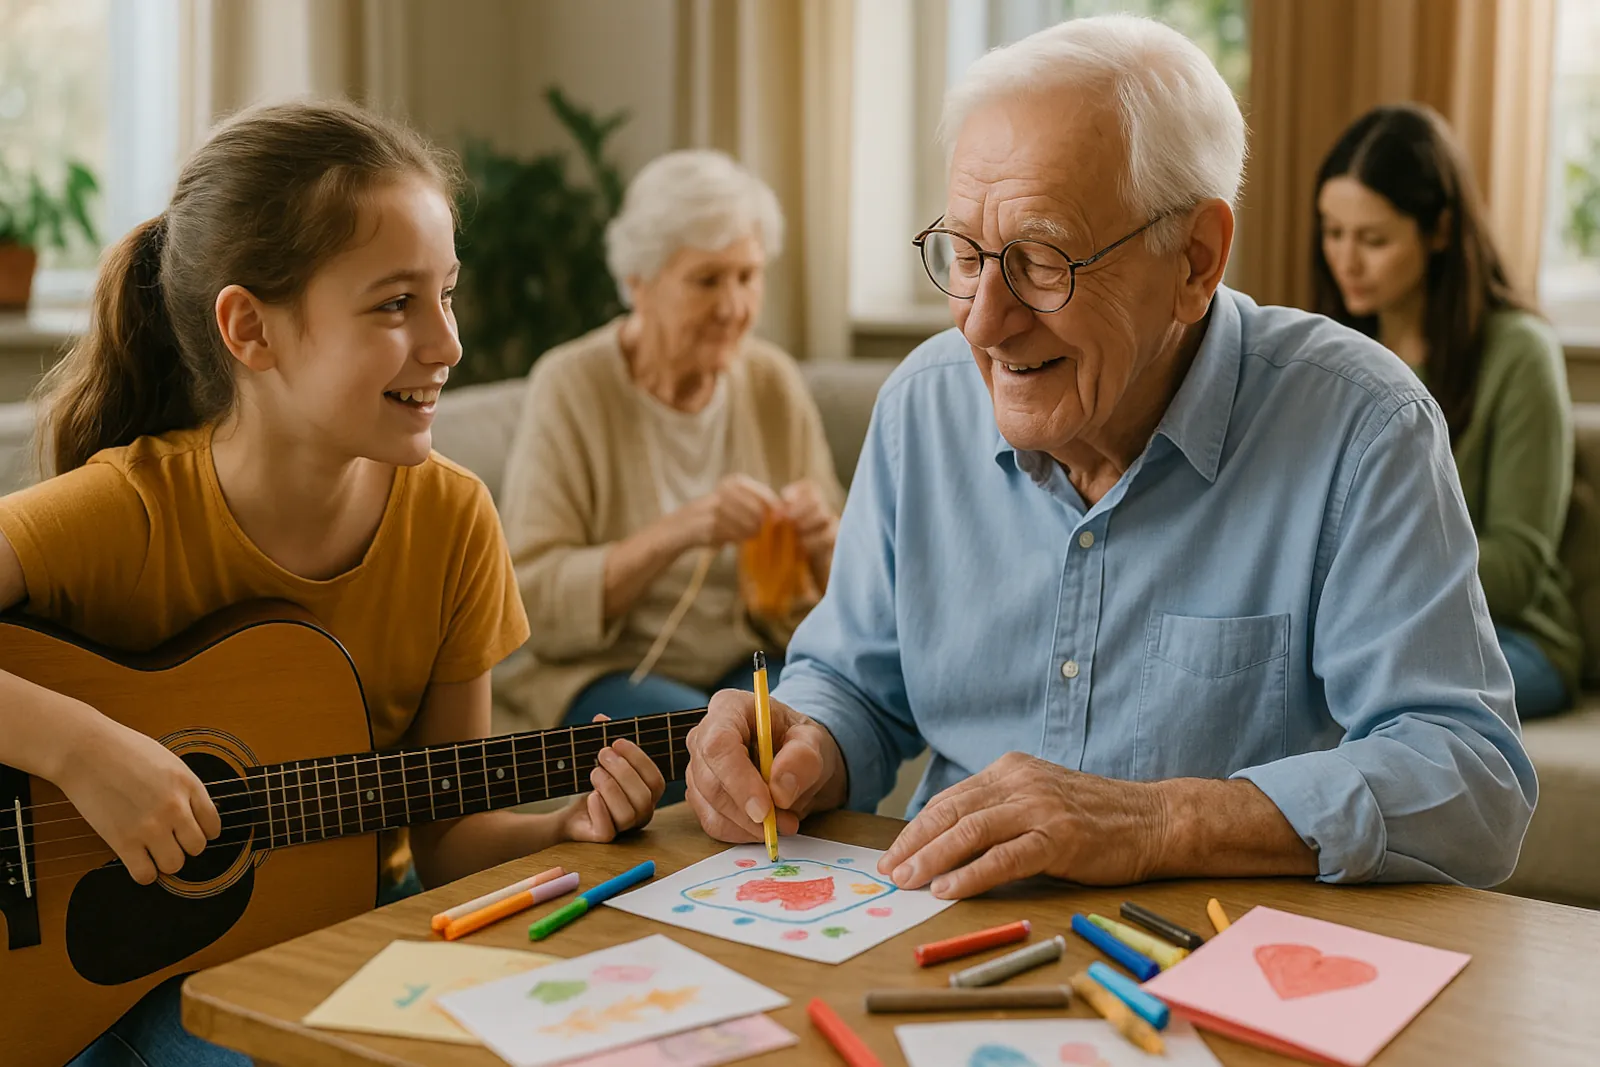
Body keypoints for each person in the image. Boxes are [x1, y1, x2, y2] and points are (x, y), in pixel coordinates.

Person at [684, 15, 1536, 899]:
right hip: (936, 935)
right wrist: (801, 744)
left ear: (1197, 260)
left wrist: (1156, 821)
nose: (982, 322)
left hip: (1215, 961)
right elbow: (854, 683)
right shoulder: (923, 404)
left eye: (1043, 261)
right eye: (966, 255)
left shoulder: (1361, 424)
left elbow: (1473, 779)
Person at [0, 101, 663, 1067]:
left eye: (448, 293)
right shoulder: (133, 512)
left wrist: (567, 823)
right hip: (132, 981)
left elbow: (445, 834)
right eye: (396, 304)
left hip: (343, 934)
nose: (448, 344)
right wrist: (80, 748)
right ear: (249, 329)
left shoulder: (453, 521)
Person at [498, 149, 843, 798]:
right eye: (707, 280)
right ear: (638, 282)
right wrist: (683, 529)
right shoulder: (573, 385)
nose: (734, 306)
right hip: (608, 673)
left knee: (819, 736)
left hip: (747, 662)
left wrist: (827, 541)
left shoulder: (770, 382)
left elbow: (843, 599)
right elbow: (530, 595)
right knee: (706, 740)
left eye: (747, 276)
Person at [1314, 103, 1580, 719]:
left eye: (1373, 240)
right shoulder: (1328, 356)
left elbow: (1515, 571)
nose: (1346, 261)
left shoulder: (1519, 354)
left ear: (1438, 232)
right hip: (1366, 621)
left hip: (1515, 636)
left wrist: (1360, 583)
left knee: (1340, 696)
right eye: (1332, 233)